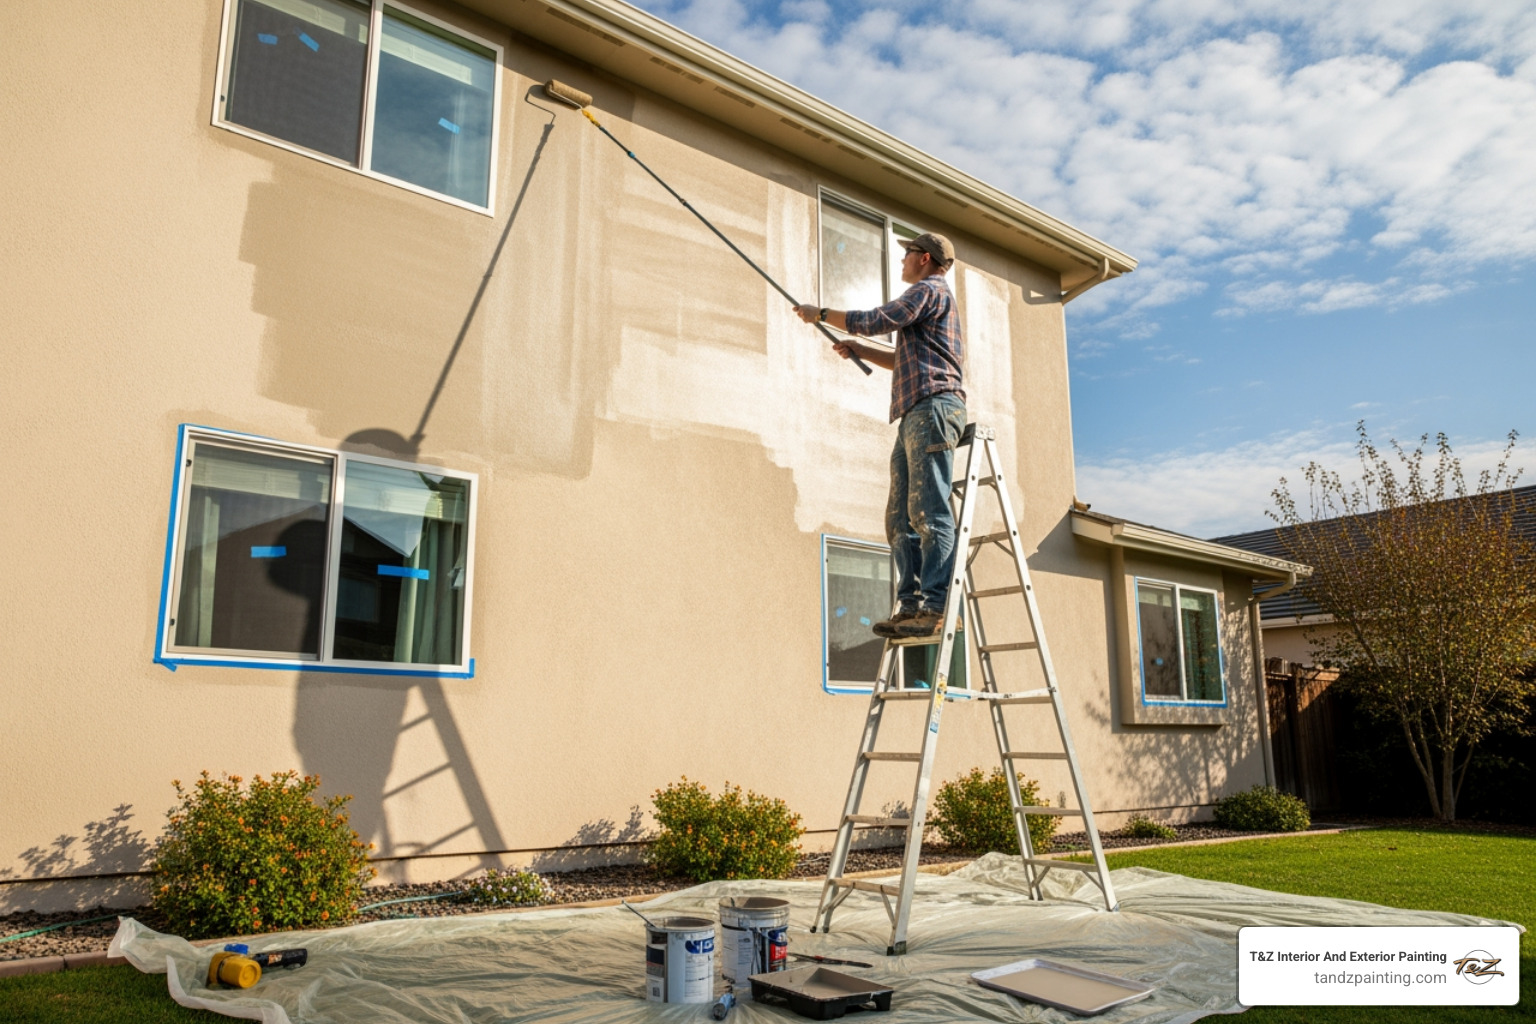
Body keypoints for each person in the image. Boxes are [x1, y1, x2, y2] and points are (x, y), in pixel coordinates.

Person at [795, 232, 966, 638]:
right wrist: (862, 351)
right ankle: (910, 606)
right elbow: (902, 356)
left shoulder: (929, 290)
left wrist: (820, 313)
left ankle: (937, 607)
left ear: (924, 258)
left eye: (906, 254)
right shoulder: (929, 299)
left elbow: (877, 319)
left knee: (928, 510)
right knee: (900, 518)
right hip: (914, 412)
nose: (901, 261)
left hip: (933, 408)